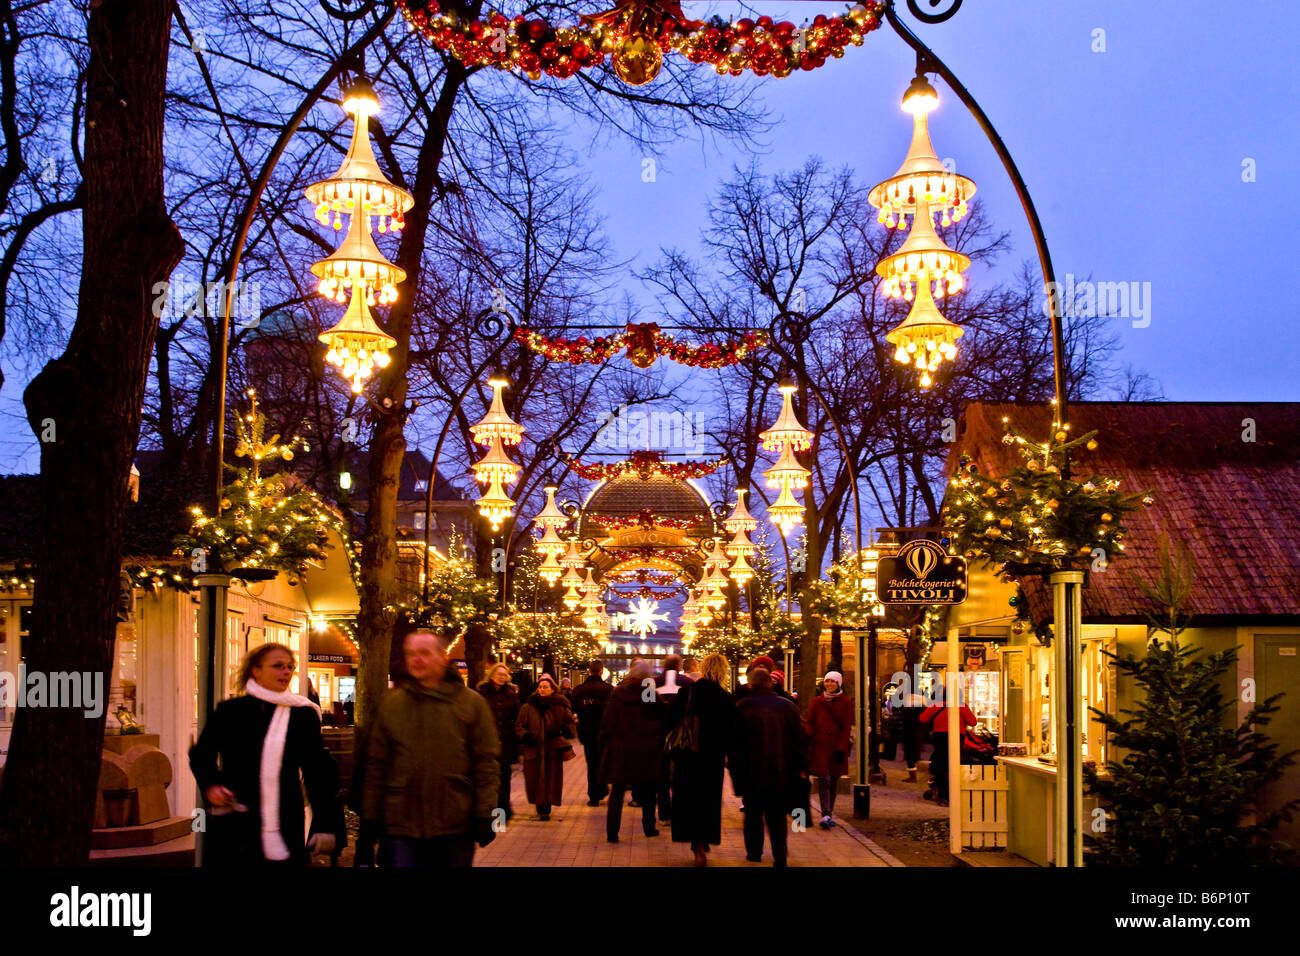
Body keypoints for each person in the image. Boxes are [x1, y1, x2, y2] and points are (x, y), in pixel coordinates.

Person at [190, 643, 344, 866]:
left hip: (284, 820)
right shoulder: (230, 712)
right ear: (256, 670)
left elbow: (317, 773)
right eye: (278, 666)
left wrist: (325, 825)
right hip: (236, 819)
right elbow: (201, 755)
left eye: (290, 667)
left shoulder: (302, 715)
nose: (286, 672)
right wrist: (211, 785)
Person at [360, 632, 500, 867]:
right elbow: (376, 765)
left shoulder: (471, 704)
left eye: (424, 653)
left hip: (455, 823)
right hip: (402, 824)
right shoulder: (392, 704)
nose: (417, 659)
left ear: (443, 658)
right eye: (411, 654)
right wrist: (370, 819)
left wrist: (488, 816)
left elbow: (487, 764)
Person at [730, 666, 806, 866]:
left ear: (751, 684)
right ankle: (779, 855)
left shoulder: (742, 707)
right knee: (777, 816)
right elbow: (799, 741)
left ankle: (754, 852)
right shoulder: (788, 707)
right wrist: (800, 767)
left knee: (753, 814)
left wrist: (736, 774)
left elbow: (735, 746)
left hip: (752, 772)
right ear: (771, 683)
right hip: (781, 772)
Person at [669, 653, 733, 867]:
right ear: (723, 671)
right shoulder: (725, 698)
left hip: (687, 754)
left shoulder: (688, 692)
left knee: (689, 798)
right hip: (712, 757)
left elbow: (670, 722)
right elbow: (732, 731)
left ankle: (695, 843)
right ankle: (704, 839)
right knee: (709, 799)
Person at [599, 659, 668, 842]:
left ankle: (612, 832)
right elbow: (662, 719)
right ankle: (648, 827)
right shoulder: (648, 693)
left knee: (617, 792)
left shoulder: (618, 693)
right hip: (645, 749)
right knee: (648, 791)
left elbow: (607, 721)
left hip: (620, 748)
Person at [515, 673, 577, 820]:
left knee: (551, 779)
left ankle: (546, 808)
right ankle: (540, 809)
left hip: (552, 749)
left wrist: (564, 731)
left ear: (552, 689)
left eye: (546, 687)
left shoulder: (559, 705)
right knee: (534, 779)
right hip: (534, 749)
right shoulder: (528, 706)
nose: (542, 690)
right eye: (540, 687)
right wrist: (526, 736)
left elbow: (570, 723)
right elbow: (518, 726)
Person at [805, 670, 853, 828]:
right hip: (820, 746)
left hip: (836, 748)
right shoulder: (817, 702)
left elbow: (846, 727)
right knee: (824, 779)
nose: (829, 684)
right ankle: (825, 814)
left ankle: (828, 813)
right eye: (827, 681)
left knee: (833, 780)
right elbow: (810, 722)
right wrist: (807, 737)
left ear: (839, 683)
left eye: (833, 681)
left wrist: (841, 747)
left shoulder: (846, 702)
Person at [477, 662, 520, 820]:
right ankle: (492, 811)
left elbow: (517, 716)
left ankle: (502, 813)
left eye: (504, 675)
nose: (502, 678)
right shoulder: (482, 693)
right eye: (499, 674)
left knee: (505, 777)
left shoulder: (511, 694)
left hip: (506, 742)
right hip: (487, 742)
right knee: (490, 778)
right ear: (492, 675)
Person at [654, 654, 694, 822]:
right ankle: (679, 812)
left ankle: (664, 813)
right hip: (681, 734)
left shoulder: (651, 683)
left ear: (664, 666)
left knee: (661, 775)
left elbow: (646, 709)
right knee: (681, 774)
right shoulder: (688, 683)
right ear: (679, 666)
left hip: (659, 734)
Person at [920, 695, 978, 806]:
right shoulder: (961, 705)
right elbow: (973, 722)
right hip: (956, 736)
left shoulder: (936, 705)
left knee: (941, 764)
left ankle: (943, 795)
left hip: (939, 737)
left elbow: (923, 718)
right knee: (954, 764)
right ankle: (955, 792)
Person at [571, 660, 614, 806]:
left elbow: (574, 709)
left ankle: (594, 795)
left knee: (591, 762)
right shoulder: (609, 689)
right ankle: (602, 788)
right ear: (601, 671)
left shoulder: (578, 690)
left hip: (586, 731)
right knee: (602, 761)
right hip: (604, 731)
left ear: (589, 670)